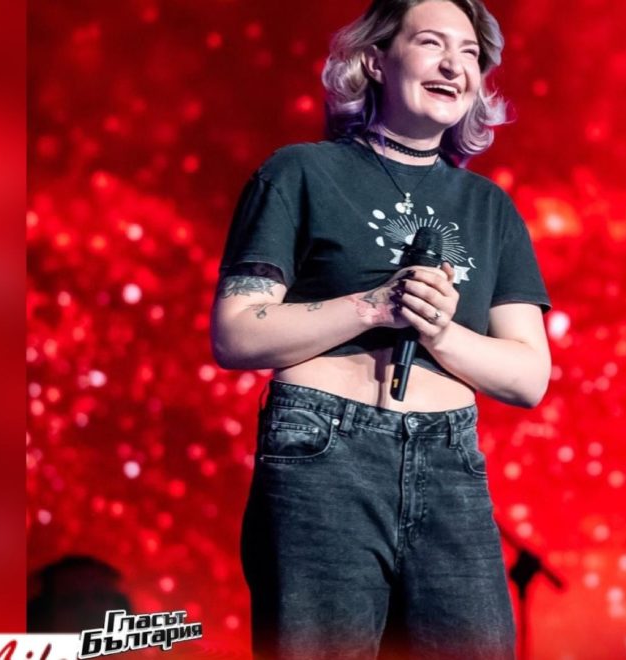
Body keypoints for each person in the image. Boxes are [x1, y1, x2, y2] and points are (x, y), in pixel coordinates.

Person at [210, 1, 551, 657]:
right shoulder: (300, 172)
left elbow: (529, 377)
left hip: (450, 461)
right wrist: (374, 306)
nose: (454, 65)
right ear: (374, 61)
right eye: (431, 44)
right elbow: (236, 332)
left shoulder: (490, 207)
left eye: (469, 54)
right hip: (322, 452)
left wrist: (440, 332)